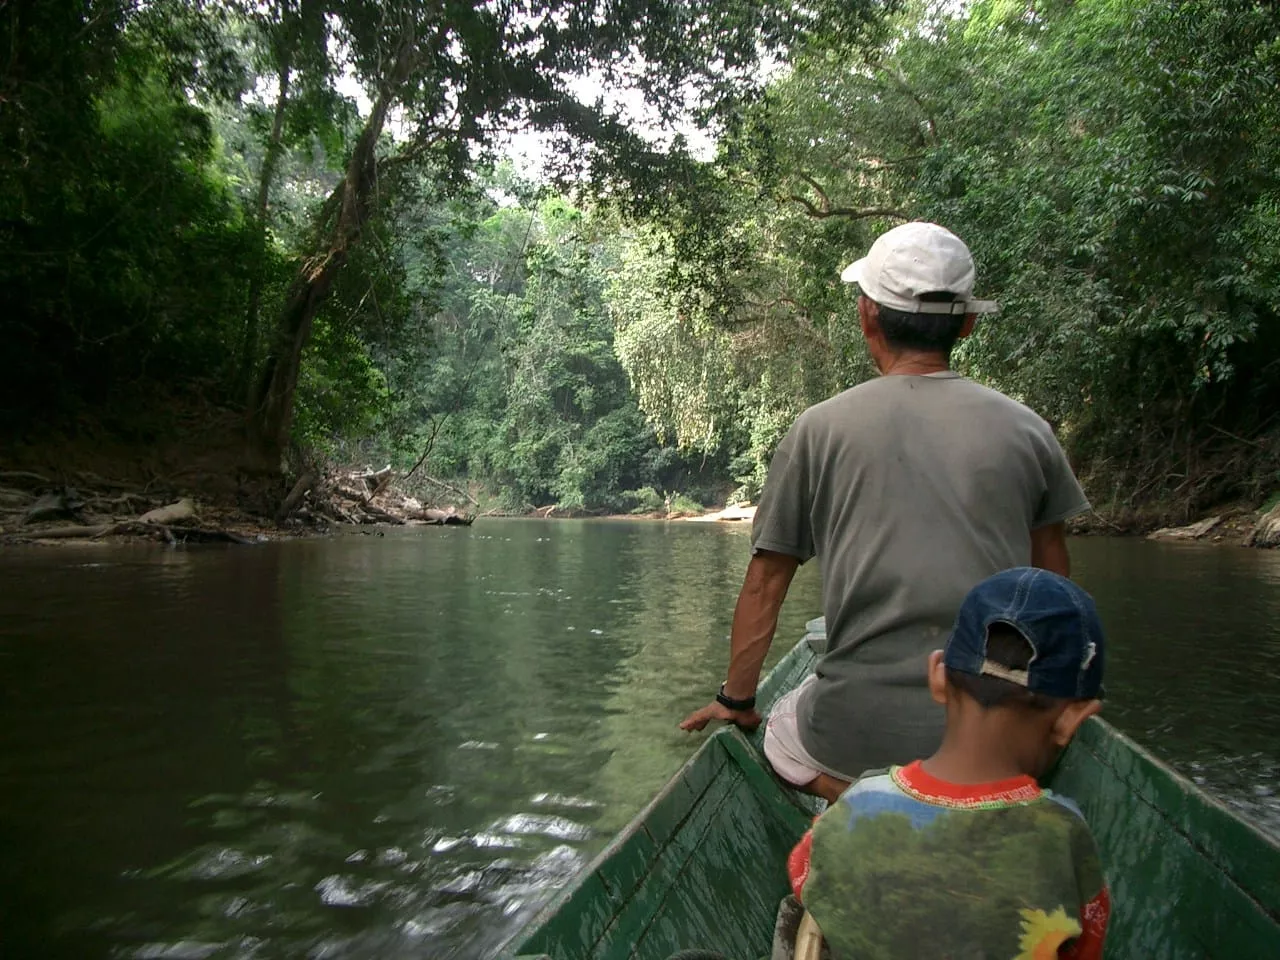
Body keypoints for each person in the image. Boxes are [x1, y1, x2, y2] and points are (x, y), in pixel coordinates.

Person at [680, 221, 1091, 802]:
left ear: (865, 314)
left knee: (779, 731)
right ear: (969, 323)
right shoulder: (1029, 431)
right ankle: (950, 792)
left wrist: (736, 700)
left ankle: (858, 801)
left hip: (852, 738)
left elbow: (767, 582)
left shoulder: (817, 430)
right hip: (995, 741)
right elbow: (1054, 587)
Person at [785, 567, 1111, 960]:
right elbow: (1088, 944)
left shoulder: (853, 807)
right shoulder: (1067, 838)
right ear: (1073, 719)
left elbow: (805, 876)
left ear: (938, 676)